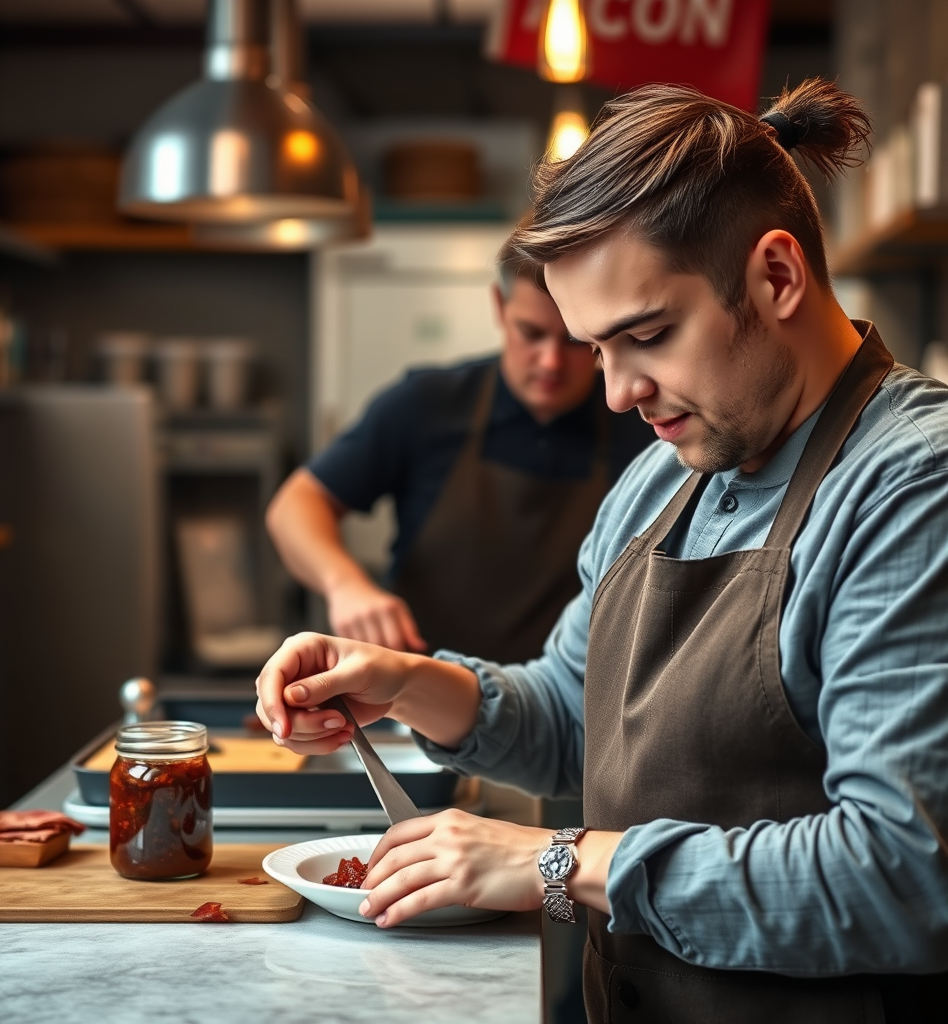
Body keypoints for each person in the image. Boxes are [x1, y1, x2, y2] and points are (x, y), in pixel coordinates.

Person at [257, 77, 948, 1021]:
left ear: (776, 276)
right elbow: (578, 722)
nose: (619, 393)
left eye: (648, 336)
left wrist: (557, 861)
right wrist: (406, 681)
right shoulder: (663, 479)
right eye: (597, 351)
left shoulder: (912, 486)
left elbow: (902, 878)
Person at [266, 243, 654, 662]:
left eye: (575, 341)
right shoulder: (427, 405)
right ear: (499, 307)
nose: (551, 362)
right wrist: (345, 584)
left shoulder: (643, 423)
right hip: (420, 702)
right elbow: (295, 505)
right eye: (532, 333)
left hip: (571, 713)